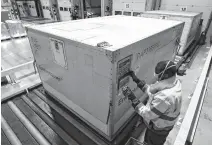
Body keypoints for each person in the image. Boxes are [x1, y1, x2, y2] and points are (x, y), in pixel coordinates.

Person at [122, 60, 182, 145]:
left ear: (165, 75)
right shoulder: (173, 82)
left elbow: (148, 114)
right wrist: (136, 79)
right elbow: (152, 91)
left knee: (150, 142)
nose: (156, 77)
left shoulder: (165, 97)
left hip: (159, 130)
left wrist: (132, 98)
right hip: (163, 125)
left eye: (158, 75)